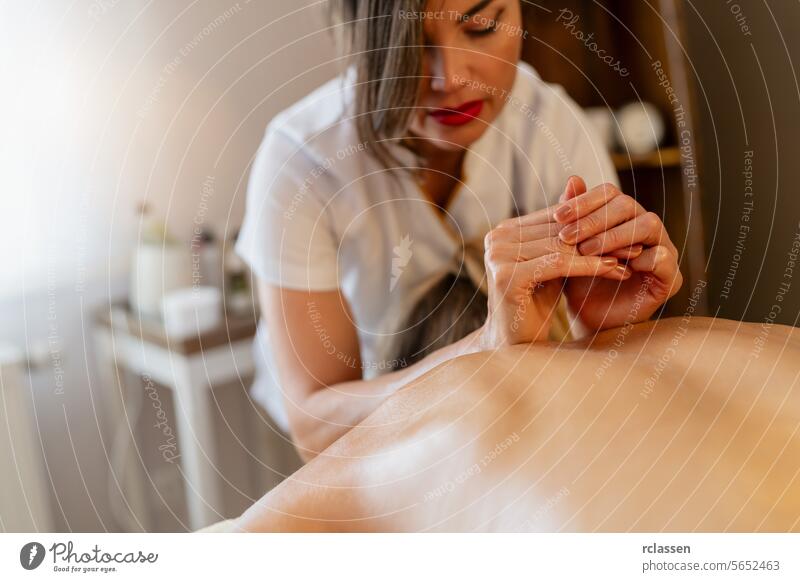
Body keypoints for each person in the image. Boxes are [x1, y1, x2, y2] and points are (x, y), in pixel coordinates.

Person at [235, 0, 682, 461]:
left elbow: (603, 387)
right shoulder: (304, 162)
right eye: (411, 45)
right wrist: (485, 349)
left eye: (482, 27)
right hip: (372, 437)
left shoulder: (552, 130)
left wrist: (608, 329)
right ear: (361, 39)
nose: (450, 79)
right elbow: (316, 427)